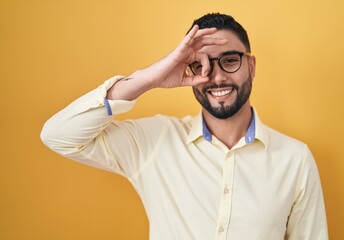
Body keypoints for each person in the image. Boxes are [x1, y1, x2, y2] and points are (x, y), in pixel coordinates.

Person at [41, 13, 328, 240]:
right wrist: (149, 78)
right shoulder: (154, 142)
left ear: (251, 67)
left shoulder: (295, 158)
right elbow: (58, 135)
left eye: (229, 61)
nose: (216, 78)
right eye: (200, 65)